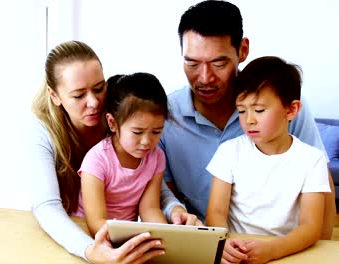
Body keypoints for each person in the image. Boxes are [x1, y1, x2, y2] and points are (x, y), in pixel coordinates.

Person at [159, 0, 336, 239]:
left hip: (286, 244)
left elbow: (320, 183)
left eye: (218, 63)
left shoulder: (281, 105)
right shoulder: (165, 115)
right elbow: (161, 191)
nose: (205, 78)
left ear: (242, 50)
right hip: (208, 241)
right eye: (191, 63)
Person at [29, 40, 173, 263]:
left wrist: (174, 210)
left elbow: (147, 176)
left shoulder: (120, 113)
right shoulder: (41, 131)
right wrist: (90, 250)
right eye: (78, 96)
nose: (94, 103)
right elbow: (47, 206)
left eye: (99, 88)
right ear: (54, 95)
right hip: (72, 234)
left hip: (114, 236)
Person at [205, 56, 330, 264]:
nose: (249, 120)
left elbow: (310, 226)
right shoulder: (229, 151)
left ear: (291, 110)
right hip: (236, 250)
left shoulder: (311, 160)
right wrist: (224, 243)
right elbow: (216, 212)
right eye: (242, 111)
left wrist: (273, 250)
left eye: (259, 110)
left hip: (286, 251)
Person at [74, 73, 168, 237]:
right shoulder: (96, 161)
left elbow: (150, 208)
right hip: (86, 233)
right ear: (112, 123)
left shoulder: (156, 157)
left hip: (124, 236)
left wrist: (166, 237)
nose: (147, 141)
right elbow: (96, 222)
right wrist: (132, 240)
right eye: (137, 132)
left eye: (156, 131)